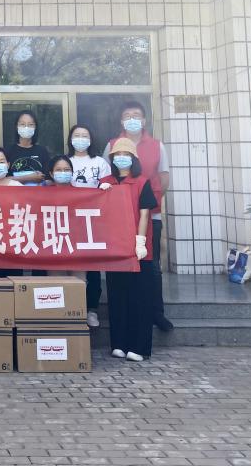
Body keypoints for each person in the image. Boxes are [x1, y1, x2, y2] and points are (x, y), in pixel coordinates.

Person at [104, 101, 172, 332]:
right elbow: (108, 178)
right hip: (120, 219)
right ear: (121, 121)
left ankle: (156, 312)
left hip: (149, 215)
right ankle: (128, 311)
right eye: (127, 115)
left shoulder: (156, 146)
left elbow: (164, 178)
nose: (132, 119)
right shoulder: (112, 145)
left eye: (136, 115)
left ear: (144, 120)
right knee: (123, 265)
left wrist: (147, 200)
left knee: (151, 265)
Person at [102, 137, 155, 362]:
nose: (121, 158)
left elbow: (144, 214)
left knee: (139, 298)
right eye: (117, 155)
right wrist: (100, 193)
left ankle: (139, 346)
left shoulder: (142, 182)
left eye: (126, 154)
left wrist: (139, 241)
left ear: (134, 159)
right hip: (115, 249)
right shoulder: (105, 182)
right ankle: (119, 344)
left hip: (138, 249)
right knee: (117, 297)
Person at [68, 124, 113, 327]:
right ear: (70, 139)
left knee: (92, 266)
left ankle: (91, 309)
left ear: (91, 139)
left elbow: (108, 189)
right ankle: (71, 308)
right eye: (76, 135)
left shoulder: (100, 162)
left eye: (84, 135)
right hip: (70, 220)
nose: (80, 139)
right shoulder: (66, 161)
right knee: (71, 265)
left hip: (93, 220)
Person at [6, 109, 52, 184]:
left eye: (30, 124)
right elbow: (3, 180)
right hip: (14, 191)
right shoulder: (8, 151)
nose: (26, 127)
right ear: (16, 126)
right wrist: (29, 178)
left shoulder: (42, 151)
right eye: (22, 124)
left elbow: (48, 178)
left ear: (35, 127)